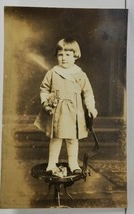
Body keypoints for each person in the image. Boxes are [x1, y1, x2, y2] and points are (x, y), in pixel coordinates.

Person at [34, 37, 98, 175]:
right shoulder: (52, 73)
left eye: (68, 55)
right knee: (56, 139)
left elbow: (88, 93)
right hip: (57, 112)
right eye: (60, 54)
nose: (64, 58)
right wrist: (46, 103)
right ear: (56, 56)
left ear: (75, 56)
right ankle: (52, 164)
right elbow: (44, 89)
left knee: (72, 140)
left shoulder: (80, 74)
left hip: (74, 113)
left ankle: (73, 163)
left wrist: (91, 107)